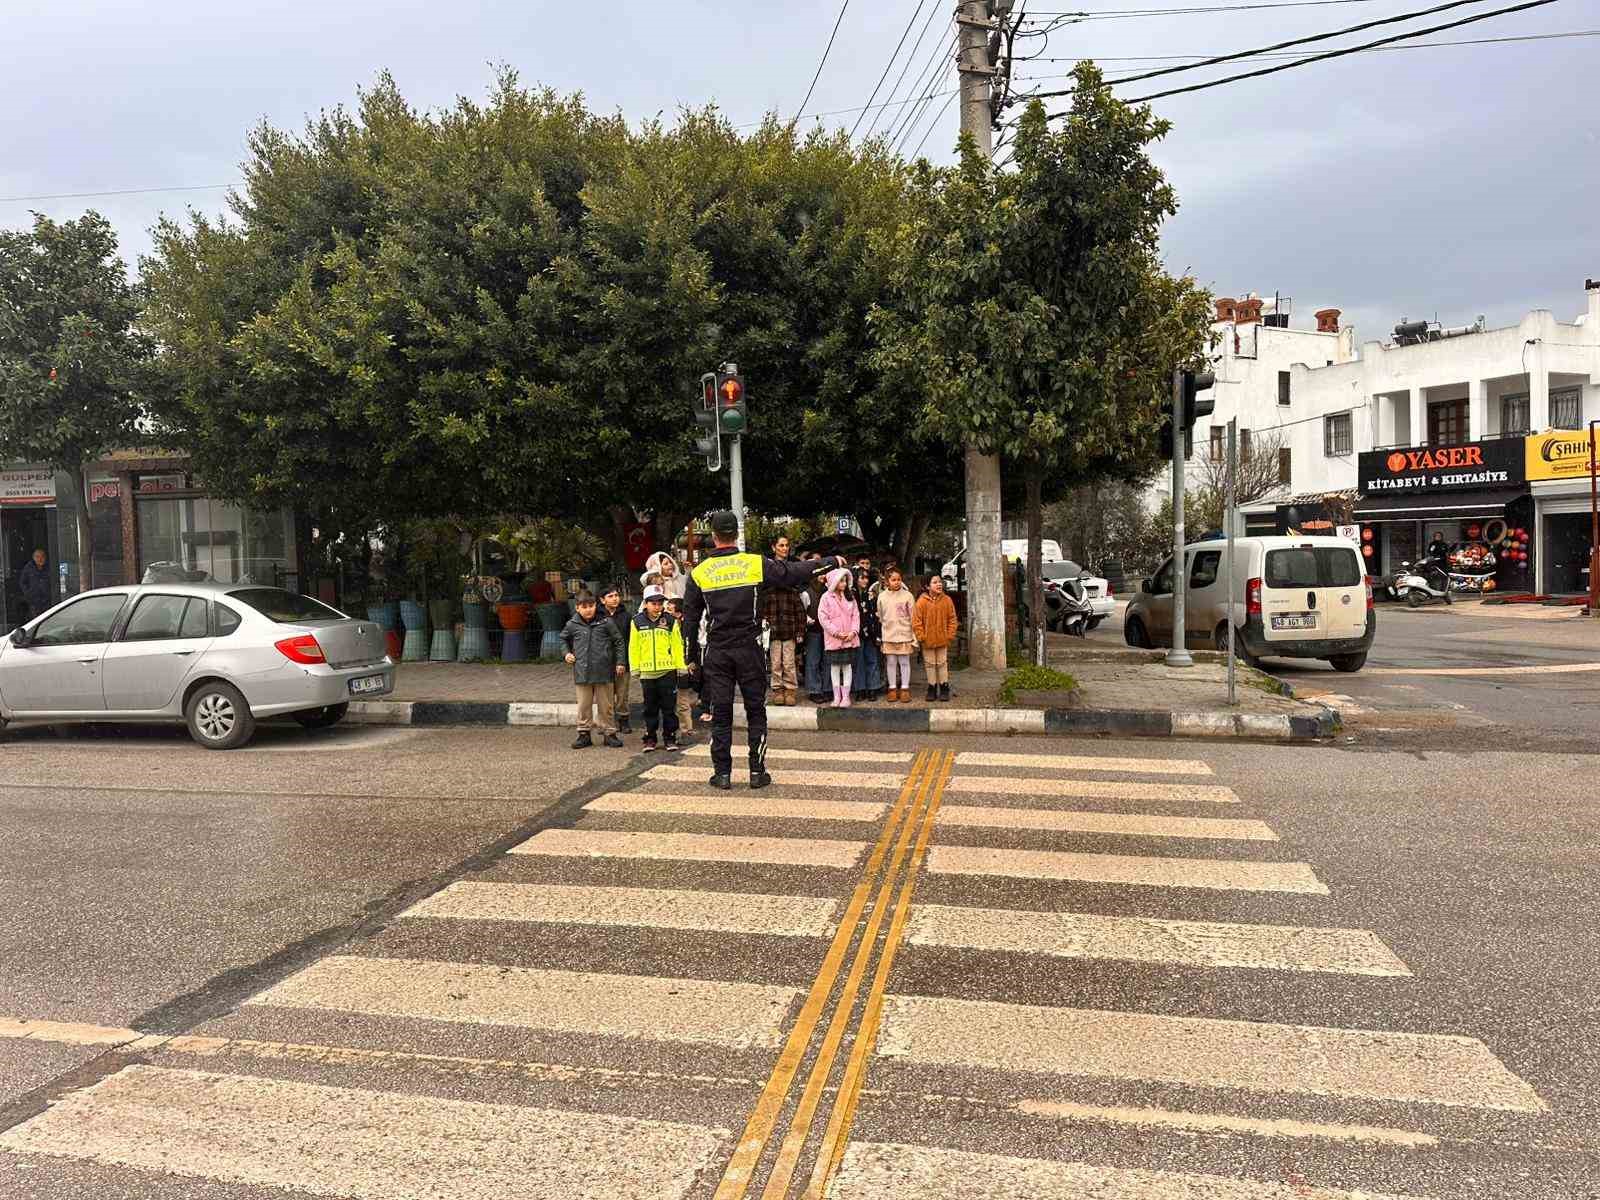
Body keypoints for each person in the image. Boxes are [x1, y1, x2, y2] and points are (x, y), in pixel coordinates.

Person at [682, 510, 843, 790]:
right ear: (736, 535)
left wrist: (691, 658)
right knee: (756, 710)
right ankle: (757, 772)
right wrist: (831, 562)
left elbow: (690, 621)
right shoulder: (755, 564)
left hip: (718, 652)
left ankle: (722, 774)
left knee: (721, 713)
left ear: (714, 536)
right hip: (750, 649)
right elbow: (795, 572)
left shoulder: (699, 572)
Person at [562, 591, 626, 748]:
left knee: (606, 705)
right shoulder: (572, 624)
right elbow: (563, 639)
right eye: (584, 607)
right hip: (582, 672)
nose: (588, 610)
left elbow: (619, 642)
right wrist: (566, 653)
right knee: (584, 706)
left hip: (604, 671)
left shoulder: (606, 622)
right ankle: (584, 734)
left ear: (596, 605)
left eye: (591, 606)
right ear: (577, 608)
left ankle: (609, 733)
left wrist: (620, 662)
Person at [629, 585, 685, 752]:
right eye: (653, 603)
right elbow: (633, 647)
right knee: (650, 708)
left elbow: (677, 645)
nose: (657, 606)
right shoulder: (637, 621)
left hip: (667, 672)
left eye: (660, 603)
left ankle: (670, 737)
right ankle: (650, 738)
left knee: (669, 708)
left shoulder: (670, 620)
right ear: (645, 603)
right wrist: (635, 667)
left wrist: (681, 666)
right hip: (647, 673)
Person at [761, 535, 806, 707]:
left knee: (789, 662)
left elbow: (799, 608)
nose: (784, 548)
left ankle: (790, 689)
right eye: (781, 545)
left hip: (789, 627)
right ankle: (777, 689)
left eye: (787, 545)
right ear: (774, 547)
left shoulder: (793, 569)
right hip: (773, 628)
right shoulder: (768, 569)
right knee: (775, 662)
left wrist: (800, 630)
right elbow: (763, 606)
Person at [818, 567, 860, 708]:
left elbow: (856, 616)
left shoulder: (850, 596)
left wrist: (853, 632)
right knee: (835, 667)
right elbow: (823, 618)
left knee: (847, 666)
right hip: (834, 639)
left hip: (849, 637)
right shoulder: (825, 598)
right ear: (834, 582)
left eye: (845, 580)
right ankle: (837, 696)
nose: (844, 583)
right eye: (841, 581)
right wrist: (836, 633)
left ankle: (846, 696)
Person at [914, 573, 960, 702]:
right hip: (927, 641)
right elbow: (916, 622)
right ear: (927, 586)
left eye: (940, 582)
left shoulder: (947, 600)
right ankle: (932, 688)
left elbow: (952, 619)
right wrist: (921, 636)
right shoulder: (921, 602)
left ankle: (944, 687)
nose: (939, 584)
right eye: (935, 582)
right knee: (930, 664)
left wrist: (949, 635)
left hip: (942, 639)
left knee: (942, 663)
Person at [877, 568, 916, 703]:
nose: (896, 582)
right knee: (891, 662)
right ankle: (892, 688)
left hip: (904, 634)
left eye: (899, 579)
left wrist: (913, 635)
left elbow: (913, 616)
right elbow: (880, 615)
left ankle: (905, 688)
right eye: (893, 580)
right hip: (888, 634)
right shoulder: (882, 597)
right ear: (887, 581)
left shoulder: (908, 596)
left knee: (904, 662)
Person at [665, 596, 698, 744]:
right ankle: (671, 731)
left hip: (682, 666)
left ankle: (686, 731)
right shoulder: (664, 624)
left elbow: (691, 644)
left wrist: (690, 662)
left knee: (682, 701)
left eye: (669, 609)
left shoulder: (688, 626)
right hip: (665, 666)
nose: (666, 611)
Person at [600, 585, 633, 733]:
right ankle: (606, 722)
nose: (614, 599)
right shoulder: (597, 616)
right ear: (602, 600)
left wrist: (625, 661)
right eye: (610, 596)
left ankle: (623, 720)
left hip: (623, 661)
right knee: (605, 695)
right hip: (603, 661)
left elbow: (630, 639)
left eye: (616, 596)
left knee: (622, 693)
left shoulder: (626, 616)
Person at [850, 565, 884, 701]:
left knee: (872, 659)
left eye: (867, 578)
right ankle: (860, 689)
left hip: (871, 633)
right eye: (862, 578)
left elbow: (876, 615)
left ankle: (872, 688)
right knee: (858, 662)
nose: (865, 580)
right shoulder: (851, 595)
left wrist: (878, 634)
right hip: (856, 633)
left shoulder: (871, 595)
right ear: (855, 579)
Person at [801, 553, 829, 704]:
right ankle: (814, 690)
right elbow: (802, 611)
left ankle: (826, 688)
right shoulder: (807, 593)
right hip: (813, 631)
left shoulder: (829, 591)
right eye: (820, 574)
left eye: (824, 573)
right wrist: (808, 620)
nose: (822, 576)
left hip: (828, 631)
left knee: (827, 660)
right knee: (813, 660)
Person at [18, 548, 51, 623]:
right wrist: (28, 594)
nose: (40, 559)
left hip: (48, 601)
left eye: (42, 556)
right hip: (34, 601)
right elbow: (22, 582)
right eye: (37, 556)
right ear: (33, 558)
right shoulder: (29, 567)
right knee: (36, 621)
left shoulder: (49, 566)